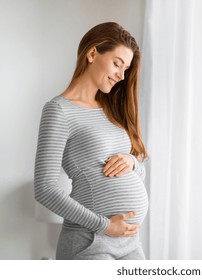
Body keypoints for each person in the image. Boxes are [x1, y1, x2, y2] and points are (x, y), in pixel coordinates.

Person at [34, 22, 149, 260]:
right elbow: (44, 189)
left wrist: (132, 161)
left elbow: (139, 172)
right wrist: (104, 225)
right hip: (90, 241)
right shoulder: (59, 110)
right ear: (93, 53)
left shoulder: (112, 109)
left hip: (130, 241)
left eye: (126, 68)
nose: (121, 75)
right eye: (117, 63)